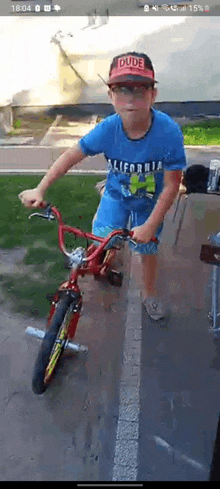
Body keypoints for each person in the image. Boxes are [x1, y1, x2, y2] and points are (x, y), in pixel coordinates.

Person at [19, 51, 186, 320]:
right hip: (118, 194)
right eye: (122, 90)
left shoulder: (168, 133)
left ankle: (150, 294)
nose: (130, 99)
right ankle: (107, 254)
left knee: (147, 250)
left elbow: (171, 186)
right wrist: (41, 188)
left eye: (139, 89)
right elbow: (69, 157)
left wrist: (151, 225)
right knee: (101, 239)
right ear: (110, 96)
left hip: (150, 201)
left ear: (153, 94)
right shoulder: (108, 129)